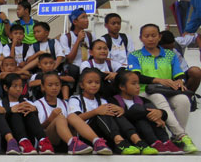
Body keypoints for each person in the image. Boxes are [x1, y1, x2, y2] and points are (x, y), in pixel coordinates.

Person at [127, 23, 198, 153]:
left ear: (159, 37)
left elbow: (179, 73)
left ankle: (176, 138)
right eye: (146, 36)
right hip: (144, 91)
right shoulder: (135, 55)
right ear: (141, 38)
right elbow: (136, 76)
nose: (150, 39)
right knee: (158, 97)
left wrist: (180, 82)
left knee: (183, 100)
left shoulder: (170, 55)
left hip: (167, 90)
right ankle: (182, 136)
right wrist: (160, 80)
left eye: (153, 35)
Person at [69, 68, 154, 155]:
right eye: (90, 82)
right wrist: (96, 111)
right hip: (87, 136)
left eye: (97, 82)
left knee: (114, 112)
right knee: (102, 113)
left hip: (105, 135)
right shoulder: (75, 99)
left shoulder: (102, 100)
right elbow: (74, 119)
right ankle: (119, 142)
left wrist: (121, 110)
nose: (94, 85)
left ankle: (137, 141)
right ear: (82, 85)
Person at [110, 70, 184, 154]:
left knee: (150, 108)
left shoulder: (143, 100)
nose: (138, 86)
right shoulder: (114, 101)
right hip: (132, 135)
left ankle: (165, 141)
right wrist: (148, 114)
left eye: (138, 83)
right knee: (138, 110)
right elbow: (128, 116)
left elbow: (162, 114)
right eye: (133, 84)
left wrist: (160, 113)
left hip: (147, 130)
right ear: (122, 87)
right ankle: (154, 142)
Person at [33, 72, 103, 155]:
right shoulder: (37, 104)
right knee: (60, 118)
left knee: (72, 116)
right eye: (50, 85)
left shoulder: (65, 103)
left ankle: (97, 141)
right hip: (49, 141)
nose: (54, 88)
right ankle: (73, 144)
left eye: (57, 84)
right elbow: (38, 129)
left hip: (64, 141)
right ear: (43, 87)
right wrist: (50, 119)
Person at [0, 73, 54, 154]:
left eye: (20, 86)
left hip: (30, 143)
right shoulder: (0, 104)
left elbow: (36, 123)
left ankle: (43, 141)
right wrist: (10, 111)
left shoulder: (28, 103)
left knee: (29, 111)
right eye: (15, 86)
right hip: (9, 143)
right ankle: (23, 141)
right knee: (16, 113)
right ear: (5, 87)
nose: (18, 89)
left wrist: (35, 111)